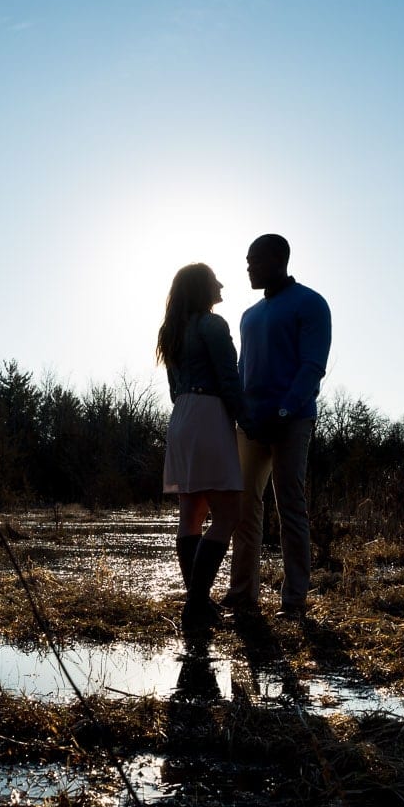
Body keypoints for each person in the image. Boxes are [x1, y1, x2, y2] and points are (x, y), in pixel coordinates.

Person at [223, 234, 331, 619]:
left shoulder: (311, 304)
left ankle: (294, 600)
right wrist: (241, 414)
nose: (248, 267)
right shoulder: (249, 315)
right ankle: (241, 594)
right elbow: (243, 369)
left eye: (253, 259)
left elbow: (312, 368)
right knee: (243, 507)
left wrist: (283, 412)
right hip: (250, 426)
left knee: (290, 506)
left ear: (276, 259)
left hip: (292, 421)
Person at [157, 263, 244, 633]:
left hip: (182, 416)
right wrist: (246, 419)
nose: (221, 284)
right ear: (201, 287)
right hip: (209, 412)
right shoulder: (213, 324)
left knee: (190, 514)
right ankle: (195, 605)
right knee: (227, 515)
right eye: (214, 279)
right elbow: (229, 378)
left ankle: (199, 603)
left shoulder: (171, 329)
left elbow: (174, 388)